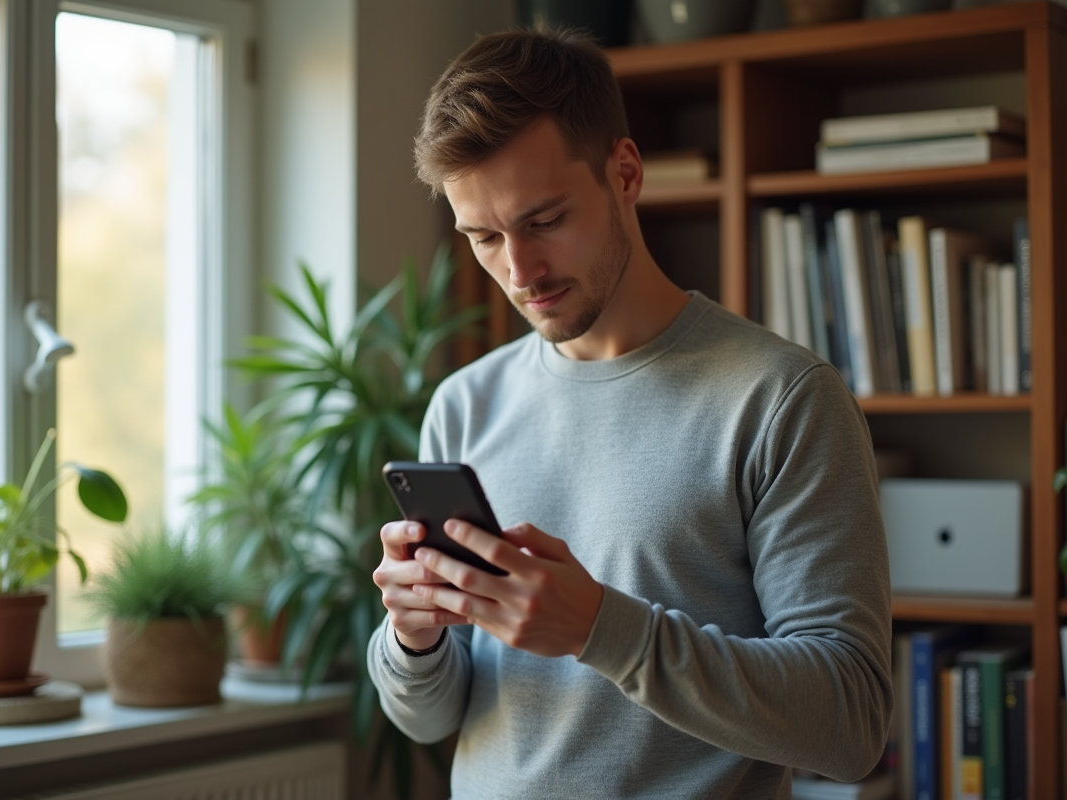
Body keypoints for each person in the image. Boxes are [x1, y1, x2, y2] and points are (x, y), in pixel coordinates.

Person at [367, 26, 892, 800]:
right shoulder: (464, 406)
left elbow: (851, 725)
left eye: (545, 220)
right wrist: (413, 637)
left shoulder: (781, 399)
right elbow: (431, 718)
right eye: (483, 236)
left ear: (625, 173)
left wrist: (600, 629)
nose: (520, 271)